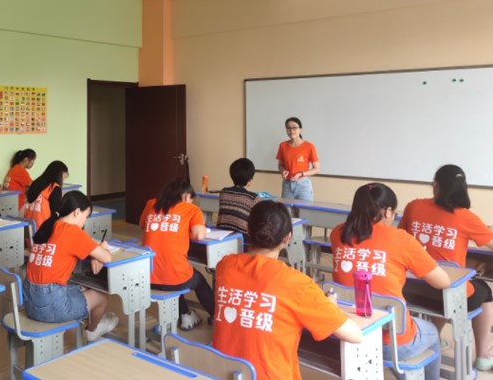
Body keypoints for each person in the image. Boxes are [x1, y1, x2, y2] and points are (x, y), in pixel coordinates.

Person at [212, 200, 362, 380]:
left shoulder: (225, 265)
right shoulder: (297, 284)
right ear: (287, 238)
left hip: (222, 374)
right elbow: (355, 335)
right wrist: (330, 305)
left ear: (248, 230)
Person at [331, 183, 450, 380]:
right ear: (387, 212)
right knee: (432, 332)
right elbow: (442, 282)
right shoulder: (401, 239)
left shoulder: (337, 233)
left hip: (348, 332)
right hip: (390, 341)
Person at [399, 164, 493, 371]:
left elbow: (400, 237)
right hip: (446, 292)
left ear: (435, 185)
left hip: (410, 288)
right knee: (485, 293)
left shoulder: (414, 207)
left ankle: (433, 336)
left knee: (438, 283)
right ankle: (483, 355)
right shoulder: (466, 217)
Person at [22, 190, 117, 342]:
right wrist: (102, 248)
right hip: (50, 306)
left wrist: (94, 254)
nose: (84, 222)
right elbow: (107, 257)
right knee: (102, 296)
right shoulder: (72, 231)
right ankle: (92, 330)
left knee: (83, 288)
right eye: (85, 216)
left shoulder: (49, 226)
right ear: (77, 212)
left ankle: (87, 316)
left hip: (29, 302)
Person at [140, 178, 214, 330]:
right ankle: (218, 317)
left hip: (145, 277)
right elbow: (199, 235)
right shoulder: (191, 209)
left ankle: (185, 313)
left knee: (176, 269)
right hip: (173, 278)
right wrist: (189, 231)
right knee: (197, 280)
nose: (191, 202)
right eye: (191, 199)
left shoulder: (151, 203)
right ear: (186, 196)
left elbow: (142, 225)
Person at [276, 117, 319, 201]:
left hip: (303, 185)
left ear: (300, 129)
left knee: (305, 209)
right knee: (286, 208)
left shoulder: (309, 146)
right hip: (287, 184)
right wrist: (283, 171)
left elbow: (316, 169)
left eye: (294, 127)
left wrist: (301, 174)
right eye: (288, 128)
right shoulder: (282, 145)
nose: (291, 130)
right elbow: (280, 165)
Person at [216, 157, 259, 241]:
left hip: (222, 235)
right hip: (242, 238)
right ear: (250, 180)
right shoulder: (253, 198)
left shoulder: (224, 192)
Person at [23, 160, 68, 230]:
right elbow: (56, 214)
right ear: (60, 174)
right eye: (64, 176)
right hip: (42, 230)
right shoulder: (54, 188)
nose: (64, 180)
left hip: (28, 229)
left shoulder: (36, 183)